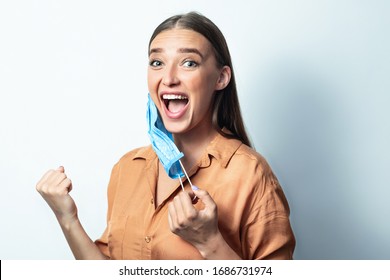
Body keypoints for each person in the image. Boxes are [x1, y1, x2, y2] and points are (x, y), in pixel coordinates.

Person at [36, 11, 295, 260]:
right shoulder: (126, 169)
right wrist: (67, 219)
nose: (169, 78)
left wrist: (210, 243)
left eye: (189, 63)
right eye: (157, 63)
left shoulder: (250, 174)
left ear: (221, 78)